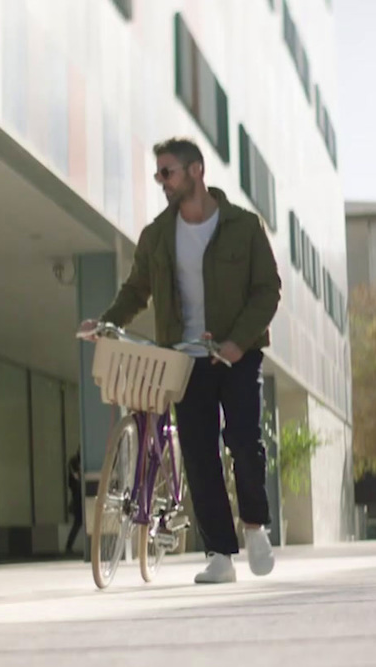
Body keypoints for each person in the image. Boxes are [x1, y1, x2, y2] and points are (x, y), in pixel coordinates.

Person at [79, 137, 282, 584]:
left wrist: (236, 342)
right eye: (158, 174)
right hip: (184, 360)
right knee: (198, 454)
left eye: (167, 172)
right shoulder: (157, 236)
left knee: (245, 442)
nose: (161, 181)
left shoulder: (244, 227)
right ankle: (220, 556)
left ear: (196, 171)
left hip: (237, 355)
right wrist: (108, 322)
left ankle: (255, 528)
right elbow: (136, 290)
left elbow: (268, 290)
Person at [65, 453, 84, 556]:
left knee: (77, 523)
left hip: (78, 496)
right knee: (78, 522)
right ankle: (68, 546)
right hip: (78, 497)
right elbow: (77, 478)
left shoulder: (74, 462)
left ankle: (69, 545)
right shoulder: (74, 463)